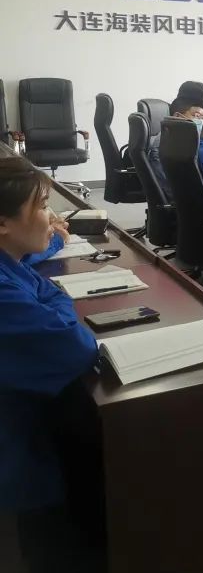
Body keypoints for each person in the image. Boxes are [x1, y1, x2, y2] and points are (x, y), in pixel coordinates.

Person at [0, 156, 105, 572]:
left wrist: (51, 294)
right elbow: (75, 345)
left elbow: (32, 278)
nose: (52, 216)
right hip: (19, 463)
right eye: (43, 206)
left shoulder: (9, 263)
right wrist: (58, 300)